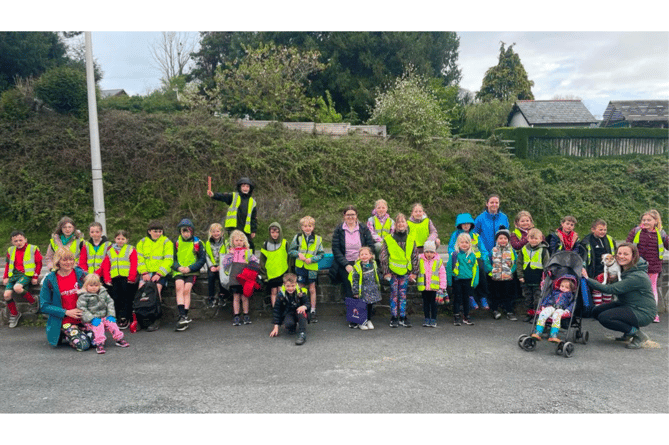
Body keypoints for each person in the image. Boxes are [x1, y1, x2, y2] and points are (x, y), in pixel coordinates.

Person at [587, 243, 657, 349]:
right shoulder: (624, 269)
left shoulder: (637, 276)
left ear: (633, 256)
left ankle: (637, 335)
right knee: (596, 312)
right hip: (627, 305)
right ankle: (628, 331)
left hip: (642, 312)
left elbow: (610, 290)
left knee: (605, 318)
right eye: (619, 253)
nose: (621, 256)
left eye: (626, 254)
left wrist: (587, 278)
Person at [39, 248, 90, 351]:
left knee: (97, 341)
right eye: (64, 260)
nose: (69, 262)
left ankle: (73, 334)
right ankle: (63, 333)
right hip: (64, 320)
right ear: (58, 261)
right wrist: (66, 312)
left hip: (84, 319)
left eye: (71, 259)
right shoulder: (49, 280)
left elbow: (98, 289)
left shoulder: (81, 275)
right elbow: (44, 306)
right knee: (84, 345)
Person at [627, 211, 669, 323]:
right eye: (644, 220)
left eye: (648, 220)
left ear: (656, 221)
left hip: (653, 267)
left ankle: (653, 313)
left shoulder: (661, 233)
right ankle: (635, 311)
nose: (645, 222)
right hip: (637, 266)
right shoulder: (636, 231)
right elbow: (627, 244)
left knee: (651, 290)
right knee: (635, 288)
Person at [379, 212, 419, 328]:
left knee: (403, 295)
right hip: (392, 273)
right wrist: (386, 271)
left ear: (406, 224)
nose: (401, 224)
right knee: (394, 295)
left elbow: (415, 256)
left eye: (403, 222)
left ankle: (402, 316)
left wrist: (415, 273)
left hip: (406, 273)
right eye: (398, 222)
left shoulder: (411, 239)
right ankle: (394, 317)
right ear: (394, 225)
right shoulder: (388, 239)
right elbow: (383, 256)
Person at [330, 205, 375, 305]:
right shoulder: (339, 230)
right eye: (348, 215)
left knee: (364, 289)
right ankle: (353, 317)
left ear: (357, 215)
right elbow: (336, 250)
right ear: (344, 216)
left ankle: (365, 316)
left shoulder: (363, 228)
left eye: (353, 214)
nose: (350, 217)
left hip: (362, 262)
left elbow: (370, 245)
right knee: (350, 290)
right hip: (345, 264)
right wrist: (346, 265)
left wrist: (364, 258)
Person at [135, 221, 174, 332]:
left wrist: (159, 273)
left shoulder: (167, 242)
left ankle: (155, 319)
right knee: (141, 292)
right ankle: (140, 319)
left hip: (160, 273)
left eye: (160, 231)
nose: (157, 233)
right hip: (146, 273)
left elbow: (168, 259)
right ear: (149, 231)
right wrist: (144, 273)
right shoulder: (142, 242)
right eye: (155, 231)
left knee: (156, 292)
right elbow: (139, 259)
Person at [76, 273, 129, 354]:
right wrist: (91, 318)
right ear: (86, 285)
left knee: (112, 323)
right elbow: (82, 309)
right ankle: (99, 343)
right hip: (91, 320)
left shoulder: (103, 292)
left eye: (96, 285)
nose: (94, 287)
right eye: (91, 285)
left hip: (104, 316)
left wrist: (110, 315)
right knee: (99, 326)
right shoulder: (83, 296)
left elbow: (110, 302)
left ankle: (119, 339)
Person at [448, 213, 490, 310]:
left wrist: (484, 258)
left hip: (476, 259)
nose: (466, 225)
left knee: (481, 272)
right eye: (463, 224)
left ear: (471, 224)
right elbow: (451, 248)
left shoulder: (476, 235)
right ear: (460, 225)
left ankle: (483, 297)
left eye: (468, 223)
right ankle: (470, 297)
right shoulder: (455, 235)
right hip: (461, 258)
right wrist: (454, 257)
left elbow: (483, 250)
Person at [98, 230, 138, 330]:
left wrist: (132, 277)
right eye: (118, 238)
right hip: (114, 278)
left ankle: (125, 317)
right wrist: (107, 278)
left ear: (127, 240)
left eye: (123, 239)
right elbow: (106, 265)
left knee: (126, 298)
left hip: (126, 278)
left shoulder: (130, 249)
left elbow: (134, 263)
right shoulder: (110, 250)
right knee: (115, 298)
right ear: (115, 239)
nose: (120, 241)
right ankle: (117, 317)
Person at [171, 219, 206, 331]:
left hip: (192, 271)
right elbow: (172, 258)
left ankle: (184, 315)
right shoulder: (176, 243)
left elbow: (202, 259)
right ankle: (182, 315)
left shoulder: (198, 243)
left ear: (192, 231)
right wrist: (178, 267)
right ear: (180, 232)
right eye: (183, 231)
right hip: (179, 270)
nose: (186, 233)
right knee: (179, 287)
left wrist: (190, 268)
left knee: (187, 290)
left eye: (188, 231)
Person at [3, 231, 43, 328]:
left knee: (17, 288)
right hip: (14, 274)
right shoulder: (11, 250)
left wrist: (35, 276)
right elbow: (8, 264)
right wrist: (5, 277)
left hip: (26, 274)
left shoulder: (33, 248)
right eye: (15, 241)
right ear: (12, 242)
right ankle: (15, 314)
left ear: (25, 239)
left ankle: (33, 301)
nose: (18, 242)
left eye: (20, 240)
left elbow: (39, 263)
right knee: (6, 295)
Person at [288, 216, 324, 322]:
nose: (307, 228)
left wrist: (313, 259)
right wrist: (299, 254)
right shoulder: (298, 237)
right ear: (301, 227)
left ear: (313, 227)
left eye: (309, 226)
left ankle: (312, 311)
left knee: (312, 289)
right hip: (301, 267)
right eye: (305, 226)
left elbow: (321, 254)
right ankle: (301, 309)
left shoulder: (318, 239)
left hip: (312, 267)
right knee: (300, 288)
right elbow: (291, 251)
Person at [207, 177, 258, 252]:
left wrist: (253, 230)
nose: (245, 188)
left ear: (250, 188)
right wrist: (214, 195)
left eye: (247, 186)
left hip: (246, 230)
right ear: (240, 187)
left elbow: (253, 218)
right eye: (243, 186)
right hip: (234, 228)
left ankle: (249, 263)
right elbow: (223, 197)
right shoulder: (233, 196)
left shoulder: (252, 202)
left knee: (249, 248)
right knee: (232, 247)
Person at [221, 230, 259, 326]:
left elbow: (255, 262)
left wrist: (252, 266)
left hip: (245, 278)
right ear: (233, 241)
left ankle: (246, 314)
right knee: (236, 297)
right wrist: (230, 254)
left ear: (244, 241)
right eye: (236, 240)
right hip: (234, 278)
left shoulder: (247, 252)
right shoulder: (231, 252)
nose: (238, 242)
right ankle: (236, 315)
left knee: (245, 297)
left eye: (241, 240)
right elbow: (225, 264)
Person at [580, 219, 617, 306]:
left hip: (607, 269)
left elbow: (614, 253)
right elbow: (583, 256)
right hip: (594, 270)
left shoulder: (610, 239)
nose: (603, 232)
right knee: (596, 289)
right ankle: (598, 307)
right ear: (593, 229)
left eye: (605, 230)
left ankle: (606, 306)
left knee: (607, 288)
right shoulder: (586, 241)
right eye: (600, 229)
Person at [516, 228, 549, 322]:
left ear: (541, 239)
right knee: (527, 298)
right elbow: (519, 263)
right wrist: (520, 276)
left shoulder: (544, 250)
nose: (534, 240)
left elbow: (546, 265)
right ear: (527, 238)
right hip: (526, 278)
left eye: (536, 238)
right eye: (531, 238)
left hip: (538, 279)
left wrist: (545, 278)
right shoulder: (524, 249)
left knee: (537, 298)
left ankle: (536, 315)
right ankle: (529, 314)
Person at [531, 275, 577, 342]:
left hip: (561, 309)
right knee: (543, 314)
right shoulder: (554, 292)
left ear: (571, 289)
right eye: (562, 286)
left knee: (556, 316)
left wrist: (568, 310)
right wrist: (543, 305)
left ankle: (553, 335)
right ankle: (538, 332)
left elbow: (572, 304)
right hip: (551, 306)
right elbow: (547, 298)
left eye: (566, 287)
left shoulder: (570, 295)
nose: (563, 288)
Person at [447, 233, 479, 326]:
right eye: (462, 242)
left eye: (466, 242)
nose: (464, 244)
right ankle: (456, 316)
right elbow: (449, 268)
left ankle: (466, 315)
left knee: (466, 298)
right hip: (457, 280)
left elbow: (475, 269)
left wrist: (475, 281)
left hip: (468, 280)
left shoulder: (472, 255)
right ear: (458, 243)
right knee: (457, 298)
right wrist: (449, 282)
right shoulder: (454, 254)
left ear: (470, 244)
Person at [487, 227, 518, 321]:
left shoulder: (512, 251)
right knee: (495, 294)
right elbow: (487, 262)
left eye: (505, 238)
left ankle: (509, 311)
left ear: (508, 240)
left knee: (508, 295)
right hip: (495, 277)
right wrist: (490, 270)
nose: (503, 240)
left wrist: (511, 271)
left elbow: (516, 262)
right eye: (500, 238)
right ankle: (495, 310)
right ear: (497, 240)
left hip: (507, 277)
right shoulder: (493, 250)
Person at [269, 273, 310, 345]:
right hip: (289, 312)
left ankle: (302, 334)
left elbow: (308, 304)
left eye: (292, 286)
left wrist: (304, 306)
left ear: (296, 284)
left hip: (299, 312)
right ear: (284, 284)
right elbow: (277, 310)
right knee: (289, 325)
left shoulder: (301, 292)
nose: (290, 288)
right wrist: (276, 326)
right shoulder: (280, 295)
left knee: (301, 312)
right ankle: (292, 326)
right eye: (288, 286)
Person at [349, 246, 382, 330]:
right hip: (362, 290)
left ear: (371, 255)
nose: (364, 256)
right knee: (362, 306)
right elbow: (355, 280)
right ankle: (361, 321)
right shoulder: (357, 267)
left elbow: (376, 275)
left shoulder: (373, 264)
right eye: (362, 254)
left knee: (370, 305)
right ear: (359, 257)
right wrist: (355, 292)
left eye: (366, 254)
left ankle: (369, 320)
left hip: (372, 289)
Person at [259, 222, 289, 308]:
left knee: (281, 291)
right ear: (269, 232)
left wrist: (289, 272)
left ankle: (282, 309)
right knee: (273, 292)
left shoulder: (285, 243)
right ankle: (275, 310)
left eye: (277, 232)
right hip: (271, 273)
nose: (275, 234)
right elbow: (262, 260)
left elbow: (289, 259)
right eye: (272, 232)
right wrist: (263, 274)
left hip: (282, 272)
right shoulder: (266, 244)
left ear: (280, 232)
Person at [417, 241, 447, 328]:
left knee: (434, 304)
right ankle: (426, 318)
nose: (429, 254)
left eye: (431, 252)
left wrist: (442, 286)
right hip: (424, 287)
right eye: (427, 252)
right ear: (424, 252)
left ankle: (433, 319)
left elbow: (442, 274)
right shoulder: (420, 260)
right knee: (425, 304)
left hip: (434, 288)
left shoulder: (438, 261)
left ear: (435, 252)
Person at [204, 223, 228, 308]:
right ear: (211, 233)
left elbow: (227, 255)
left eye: (218, 231)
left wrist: (221, 266)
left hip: (222, 265)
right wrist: (211, 266)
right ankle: (211, 297)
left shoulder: (225, 242)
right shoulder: (207, 243)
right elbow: (207, 255)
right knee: (211, 277)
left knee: (222, 277)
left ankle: (222, 295)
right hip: (213, 265)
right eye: (213, 232)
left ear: (221, 232)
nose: (216, 233)